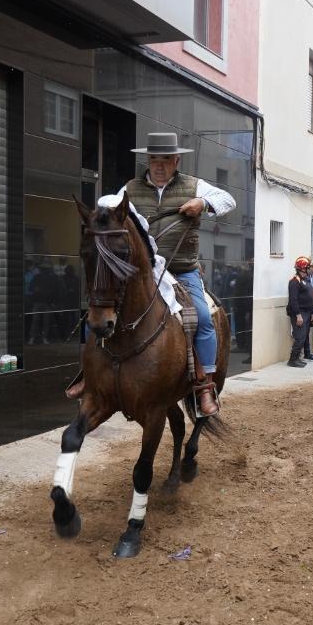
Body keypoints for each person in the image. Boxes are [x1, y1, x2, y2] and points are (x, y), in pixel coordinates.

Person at [105, 132, 235, 416]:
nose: (159, 166)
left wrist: (203, 204)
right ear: (147, 160)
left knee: (201, 317)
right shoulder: (131, 188)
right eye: (154, 159)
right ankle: (94, 378)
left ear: (176, 161)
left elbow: (227, 199)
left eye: (165, 160)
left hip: (183, 270)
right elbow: (109, 205)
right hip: (146, 272)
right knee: (104, 307)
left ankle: (204, 387)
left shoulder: (193, 185)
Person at [286, 256, 313, 368]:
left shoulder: (305, 280)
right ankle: (292, 360)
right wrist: (298, 315)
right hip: (299, 313)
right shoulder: (294, 282)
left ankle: (297, 358)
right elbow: (293, 300)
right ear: (302, 268)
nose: (309, 270)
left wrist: (312, 311)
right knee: (300, 337)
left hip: (307, 312)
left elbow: (310, 296)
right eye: (308, 267)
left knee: (304, 337)